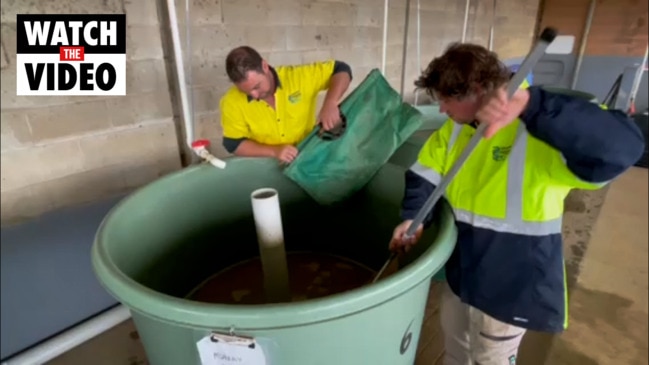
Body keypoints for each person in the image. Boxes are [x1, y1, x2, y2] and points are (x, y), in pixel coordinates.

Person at [389, 42, 645, 365]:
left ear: (478, 90)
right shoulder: (454, 130)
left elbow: (625, 145)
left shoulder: (541, 131)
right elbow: (424, 174)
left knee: (491, 359)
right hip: (462, 275)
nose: (442, 109)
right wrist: (413, 217)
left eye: (447, 100)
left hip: (511, 284)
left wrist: (532, 105)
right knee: (455, 352)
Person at [219, 46, 352, 164]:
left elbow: (341, 69)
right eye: (245, 91)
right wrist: (274, 151)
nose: (254, 95)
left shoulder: (298, 77)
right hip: (265, 165)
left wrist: (331, 102)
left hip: (307, 158)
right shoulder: (231, 101)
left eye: (257, 87)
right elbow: (233, 144)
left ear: (264, 66)